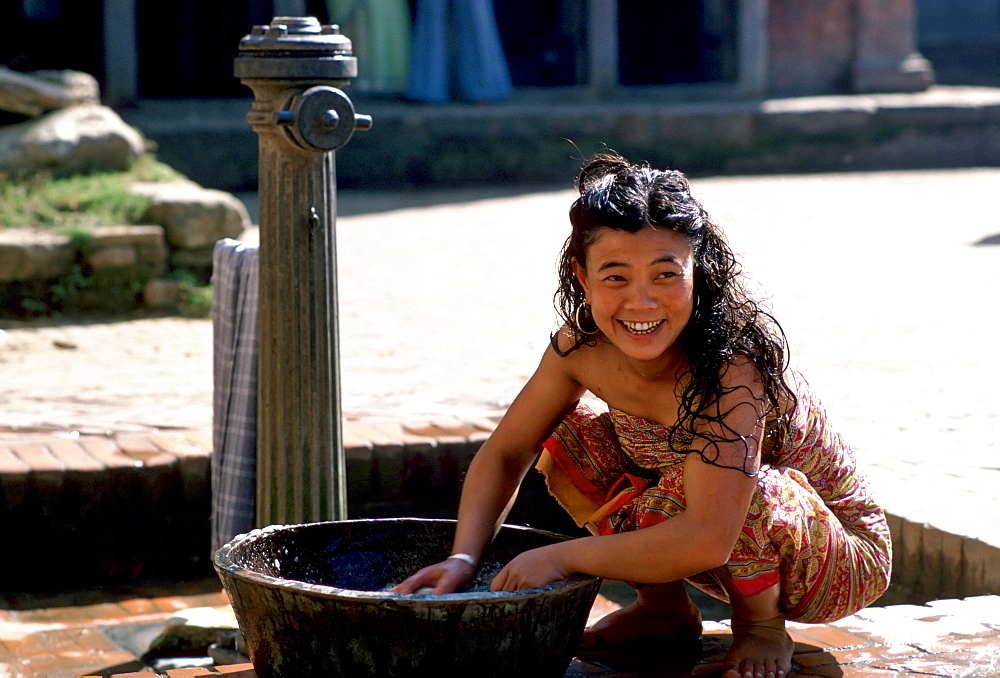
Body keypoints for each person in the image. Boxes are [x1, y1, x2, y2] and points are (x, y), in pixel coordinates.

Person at [392, 152, 892, 678]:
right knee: (570, 431)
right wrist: (463, 559)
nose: (642, 301)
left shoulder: (733, 369)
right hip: (707, 534)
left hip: (832, 557)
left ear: (700, 273)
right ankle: (662, 611)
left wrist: (565, 558)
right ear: (582, 278)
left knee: (745, 489)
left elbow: (708, 536)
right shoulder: (578, 350)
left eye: (665, 274)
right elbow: (506, 451)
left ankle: (761, 625)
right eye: (615, 278)